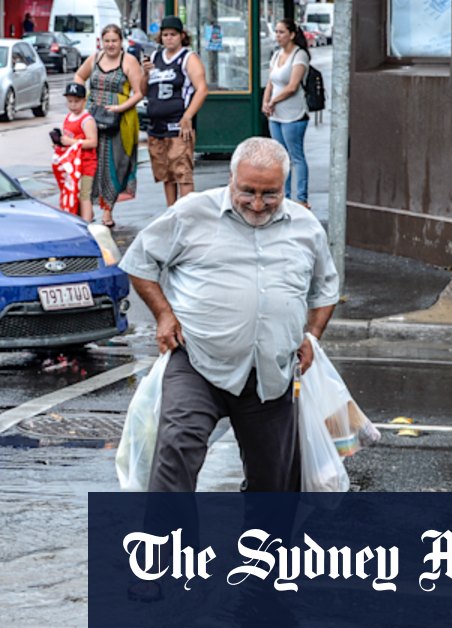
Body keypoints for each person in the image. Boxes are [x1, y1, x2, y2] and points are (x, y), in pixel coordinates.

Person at [118, 137, 340, 492]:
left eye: (270, 194)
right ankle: (170, 547)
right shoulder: (192, 212)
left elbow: (326, 288)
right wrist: (163, 315)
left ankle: (262, 548)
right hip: (198, 361)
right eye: (247, 190)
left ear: (285, 184)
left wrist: (312, 335)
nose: (256, 203)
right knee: (176, 449)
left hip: (271, 372)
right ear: (231, 178)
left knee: (275, 485)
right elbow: (140, 261)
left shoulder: (306, 226)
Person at [73, 24, 144, 228]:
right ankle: (86, 210)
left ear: (121, 41)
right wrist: (82, 99)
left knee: (114, 165)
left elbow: (139, 92)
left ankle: (107, 211)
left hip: (119, 122)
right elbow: (79, 76)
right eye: (107, 41)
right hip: (93, 120)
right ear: (101, 42)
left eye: (114, 41)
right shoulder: (95, 58)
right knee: (90, 164)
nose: (110, 45)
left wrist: (121, 107)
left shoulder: (129, 61)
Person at [140, 15, 208, 207]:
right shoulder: (154, 57)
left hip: (177, 124)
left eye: (173, 34)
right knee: (166, 174)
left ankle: (187, 214)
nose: (169, 38)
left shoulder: (188, 58)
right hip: (156, 125)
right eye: (165, 34)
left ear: (181, 36)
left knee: (182, 172)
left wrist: (188, 116)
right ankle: (171, 212)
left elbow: (202, 89)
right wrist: (145, 73)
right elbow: (143, 90)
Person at [262, 18, 311, 208]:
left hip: (293, 114)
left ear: (291, 34)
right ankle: (284, 195)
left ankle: (301, 198)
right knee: (280, 157)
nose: (278, 36)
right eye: (276, 32)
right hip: (275, 115)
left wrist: (273, 101)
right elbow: (271, 82)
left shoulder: (300, 56)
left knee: (295, 156)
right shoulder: (276, 55)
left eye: (281, 32)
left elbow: (292, 86)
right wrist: (265, 102)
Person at [55, 82, 98, 222]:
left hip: (86, 164)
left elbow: (93, 142)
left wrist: (71, 143)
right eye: (70, 101)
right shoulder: (69, 117)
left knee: (84, 194)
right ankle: (87, 215)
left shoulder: (87, 120)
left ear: (84, 101)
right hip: (72, 164)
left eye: (77, 101)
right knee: (74, 192)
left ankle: (86, 223)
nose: (73, 105)